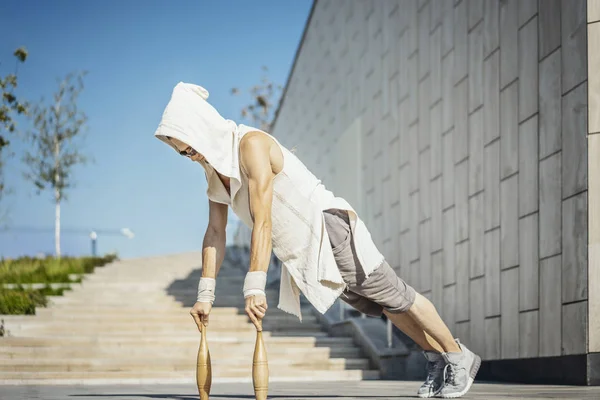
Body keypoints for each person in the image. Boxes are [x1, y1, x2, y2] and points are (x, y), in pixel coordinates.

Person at [155, 82, 480, 398]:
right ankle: (436, 359)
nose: (190, 156)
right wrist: (205, 293)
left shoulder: (250, 145)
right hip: (306, 249)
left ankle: (457, 356)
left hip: (327, 229)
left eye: (190, 147)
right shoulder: (214, 173)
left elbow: (263, 219)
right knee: (384, 305)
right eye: (183, 153)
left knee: (396, 294)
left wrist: (254, 284)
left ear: (200, 128)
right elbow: (215, 231)